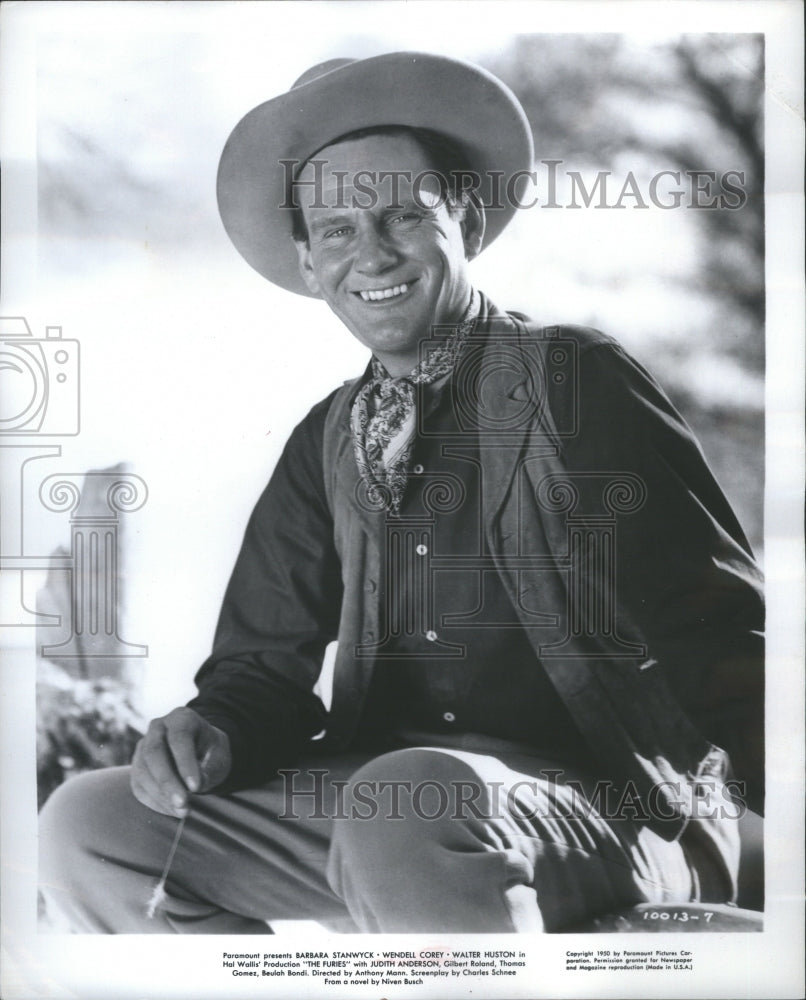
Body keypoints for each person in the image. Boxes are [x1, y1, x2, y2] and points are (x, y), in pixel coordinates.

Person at [39, 51, 764, 934]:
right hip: (387, 809)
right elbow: (259, 673)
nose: (371, 252)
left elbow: (719, 627)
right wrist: (211, 731)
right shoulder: (325, 439)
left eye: (401, 217)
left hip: (614, 811)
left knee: (408, 799)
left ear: (465, 219)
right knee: (92, 823)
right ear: (308, 263)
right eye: (336, 229)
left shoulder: (575, 381)